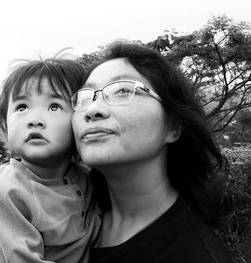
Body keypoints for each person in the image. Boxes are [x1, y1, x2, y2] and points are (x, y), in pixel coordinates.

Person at [71, 41, 232, 263]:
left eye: (123, 90)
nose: (92, 109)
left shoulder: (194, 254)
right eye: (85, 97)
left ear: (173, 126)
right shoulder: (69, 210)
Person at [0, 56, 101, 263]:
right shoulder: (5, 191)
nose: (34, 120)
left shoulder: (88, 178)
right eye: (21, 107)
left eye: (54, 107)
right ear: (5, 124)